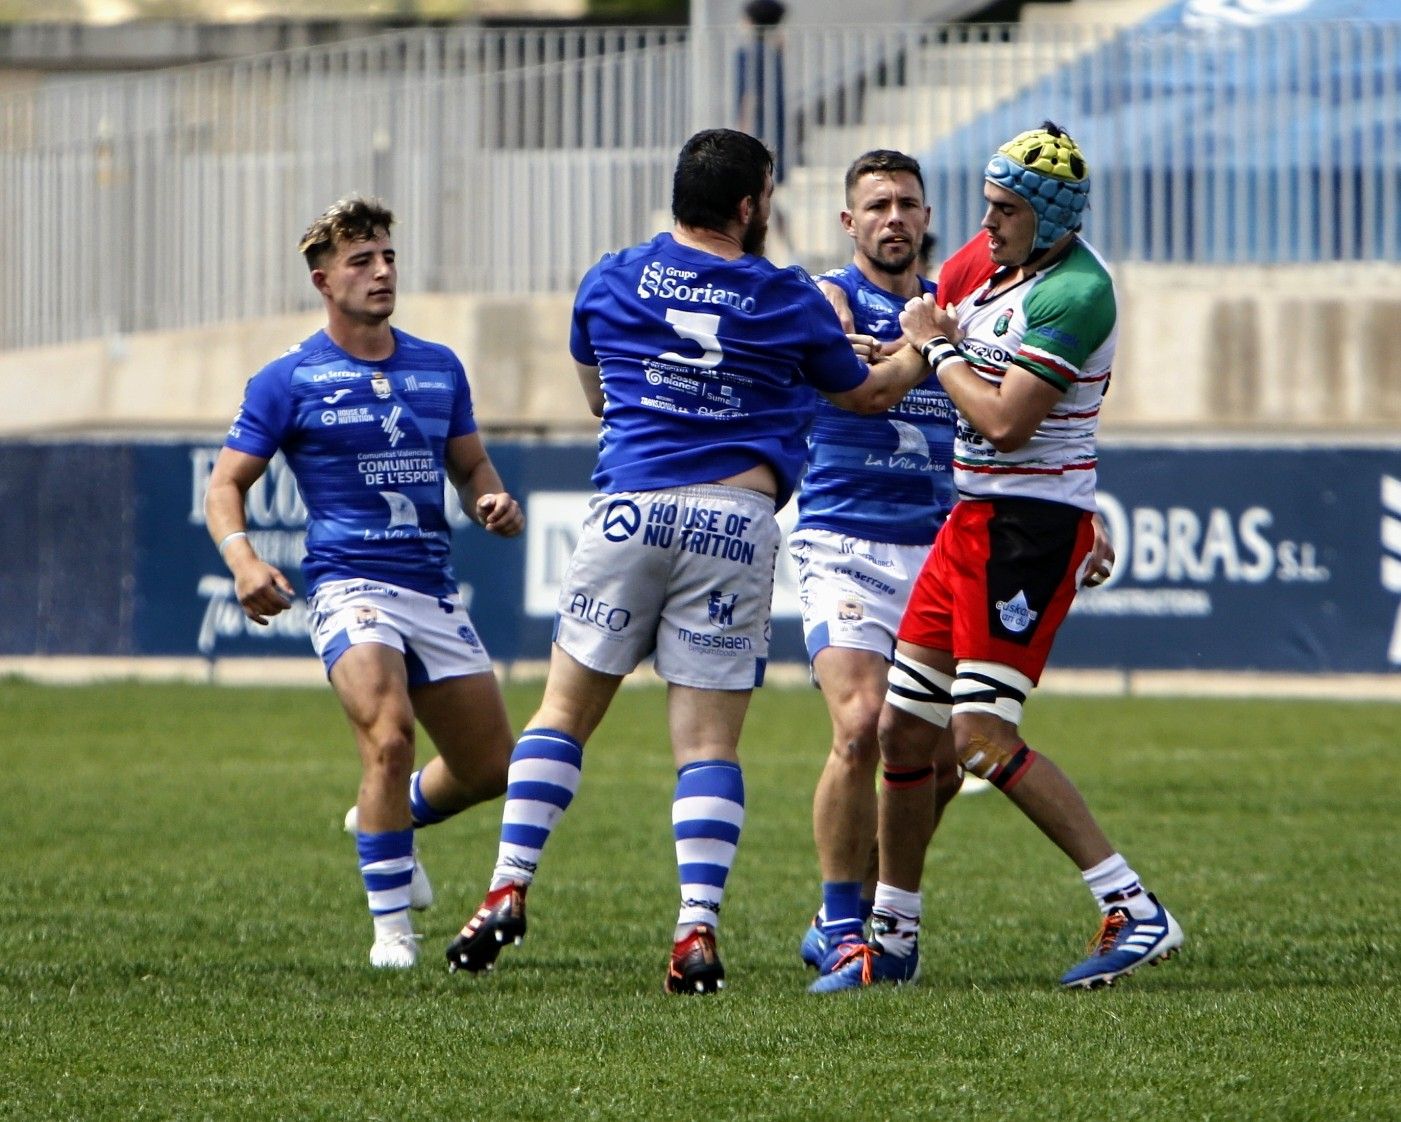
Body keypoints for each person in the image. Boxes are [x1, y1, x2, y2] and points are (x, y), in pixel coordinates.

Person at [445, 128, 936, 995]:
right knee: (706, 744)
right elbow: (867, 394)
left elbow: (599, 395)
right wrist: (920, 344)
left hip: (628, 509)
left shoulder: (609, 275)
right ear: (750, 206)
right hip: (733, 522)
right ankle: (693, 931)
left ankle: (506, 885)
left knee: (561, 715)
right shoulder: (786, 296)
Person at [812, 122, 1182, 993]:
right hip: (968, 519)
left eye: (1006, 211)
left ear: (1051, 218)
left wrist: (932, 346)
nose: (987, 225)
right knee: (904, 730)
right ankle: (890, 939)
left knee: (976, 736)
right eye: (986, 205)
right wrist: (861, 356)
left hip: (1028, 530)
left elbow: (1005, 420)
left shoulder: (1079, 293)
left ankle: (1132, 906)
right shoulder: (987, 261)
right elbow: (916, 357)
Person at [204, 195, 524, 970]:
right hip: (350, 585)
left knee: (491, 770)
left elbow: (470, 463)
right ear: (323, 280)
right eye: (360, 261)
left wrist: (491, 498)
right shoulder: (288, 379)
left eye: (386, 257)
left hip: (431, 587)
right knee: (388, 737)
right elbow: (224, 487)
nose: (381, 272)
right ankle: (393, 934)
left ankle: (388, 820)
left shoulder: (437, 366)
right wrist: (245, 561)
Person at [788, 150, 965, 986]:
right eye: (877, 205)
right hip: (844, 542)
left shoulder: (958, 309)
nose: (894, 217)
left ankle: (867, 907)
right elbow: (854, 386)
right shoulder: (825, 298)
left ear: (927, 218)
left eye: (907, 204)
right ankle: (838, 922)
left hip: (937, 548)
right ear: (848, 223)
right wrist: (920, 352)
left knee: (945, 760)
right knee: (859, 726)